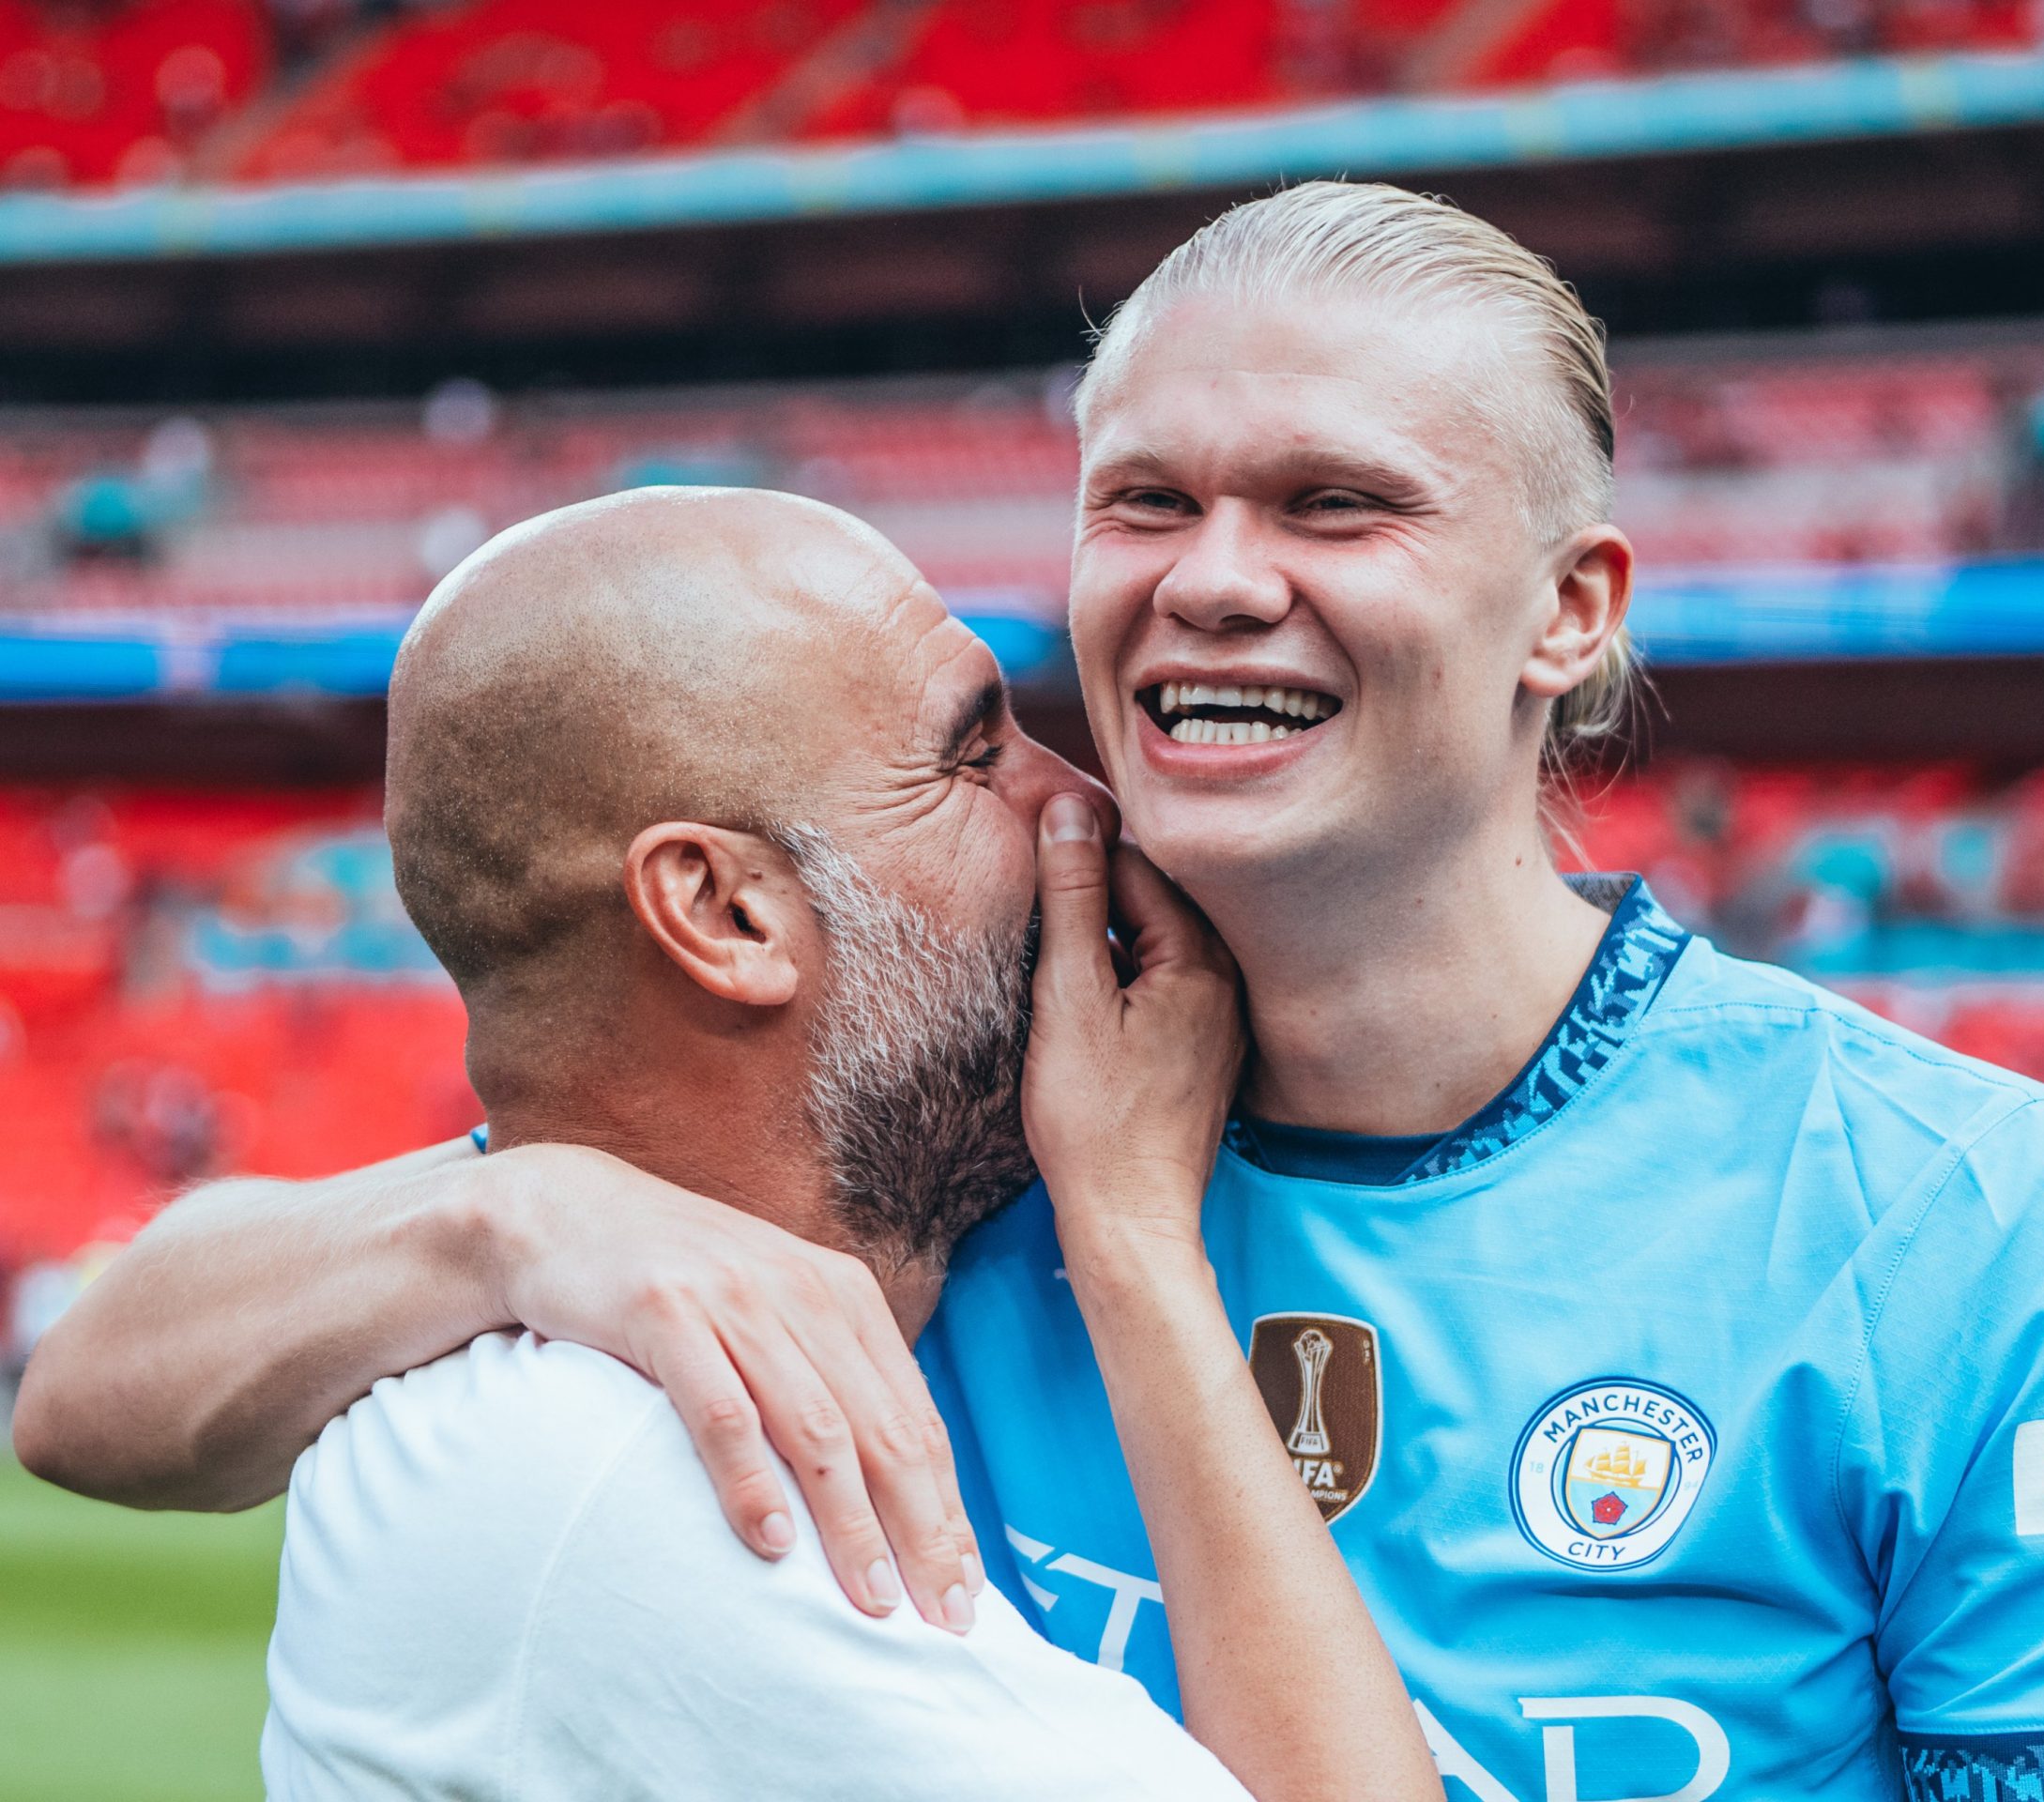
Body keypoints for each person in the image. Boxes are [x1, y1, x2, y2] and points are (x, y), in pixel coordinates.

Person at [19, 184, 2044, 1802]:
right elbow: (95, 1390)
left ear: (1568, 610)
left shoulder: (1951, 1212)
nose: (1213, 582)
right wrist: (499, 1216)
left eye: (1332, 504)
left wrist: (1130, 1238)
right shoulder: (926, 1112)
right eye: (1145, 500)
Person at [199, 488, 1443, 1802]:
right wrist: (1132, 1230)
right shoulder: (654, 1495)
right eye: (975, 757)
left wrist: (512, 1209)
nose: (1081, 802)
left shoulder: (536, 1332)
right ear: (726, 912)